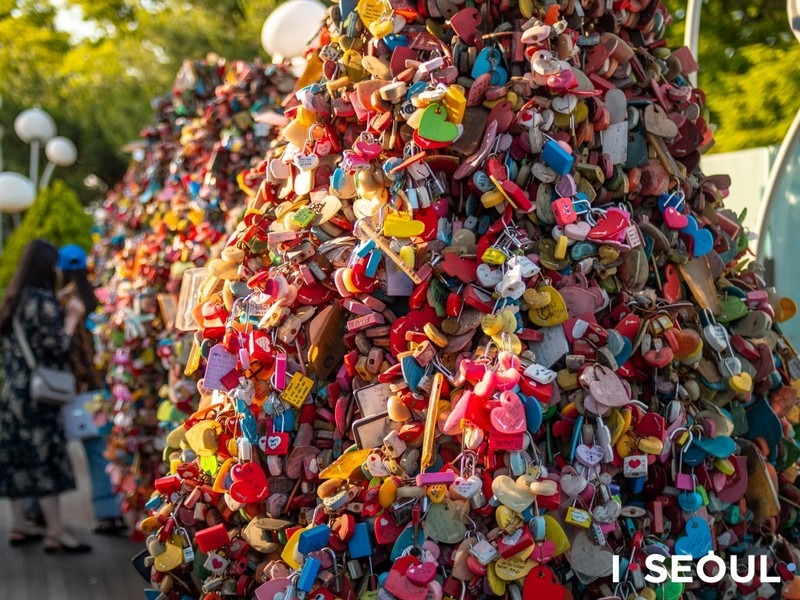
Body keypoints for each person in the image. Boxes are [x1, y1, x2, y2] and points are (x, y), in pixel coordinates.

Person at [0, 239, 92, 553]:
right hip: (39, 396)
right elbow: (56, 347)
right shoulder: (43, 300)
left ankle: (20, 525)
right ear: (45, 267)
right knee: (45, 460)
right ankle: (55, 531)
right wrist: (71, 320)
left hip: (11, 392)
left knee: (16, 458)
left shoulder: (13, 298)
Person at [58, 244, 126, 535]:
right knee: (103, 451)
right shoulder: (100, 295)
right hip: (107, 385)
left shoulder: (62, 301)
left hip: (76, 388)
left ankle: (36, 512)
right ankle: (111, 512)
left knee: (69, 450)